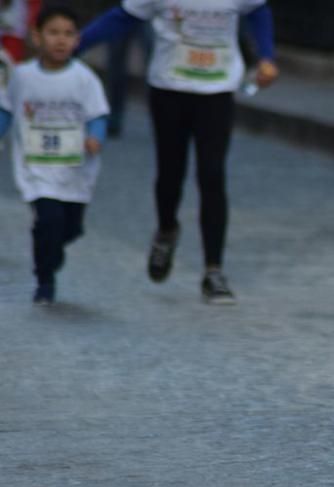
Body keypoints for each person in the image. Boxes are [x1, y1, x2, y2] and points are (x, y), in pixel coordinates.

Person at [78, 0, 278, 304]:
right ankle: (167, 230)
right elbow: (123, 17)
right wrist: (77, 44)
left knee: (212, 174)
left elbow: (258, 11)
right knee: (171, 172)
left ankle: (214, 271)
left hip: (216, 90)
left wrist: (267, 56)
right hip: (169, 87)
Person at [0, 4, 109, 305]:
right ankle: (44, 280)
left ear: (77, 40)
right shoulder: (21, 76)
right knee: (48, 219)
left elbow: (98, 114)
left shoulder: (85, 79)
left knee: (70, 227)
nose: (60, 40)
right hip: (36, 168)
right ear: (36, 37)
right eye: (53, 33)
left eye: (68, 34)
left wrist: (95, 137)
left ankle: (52, 250)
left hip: (75, 170)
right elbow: (6, 110)